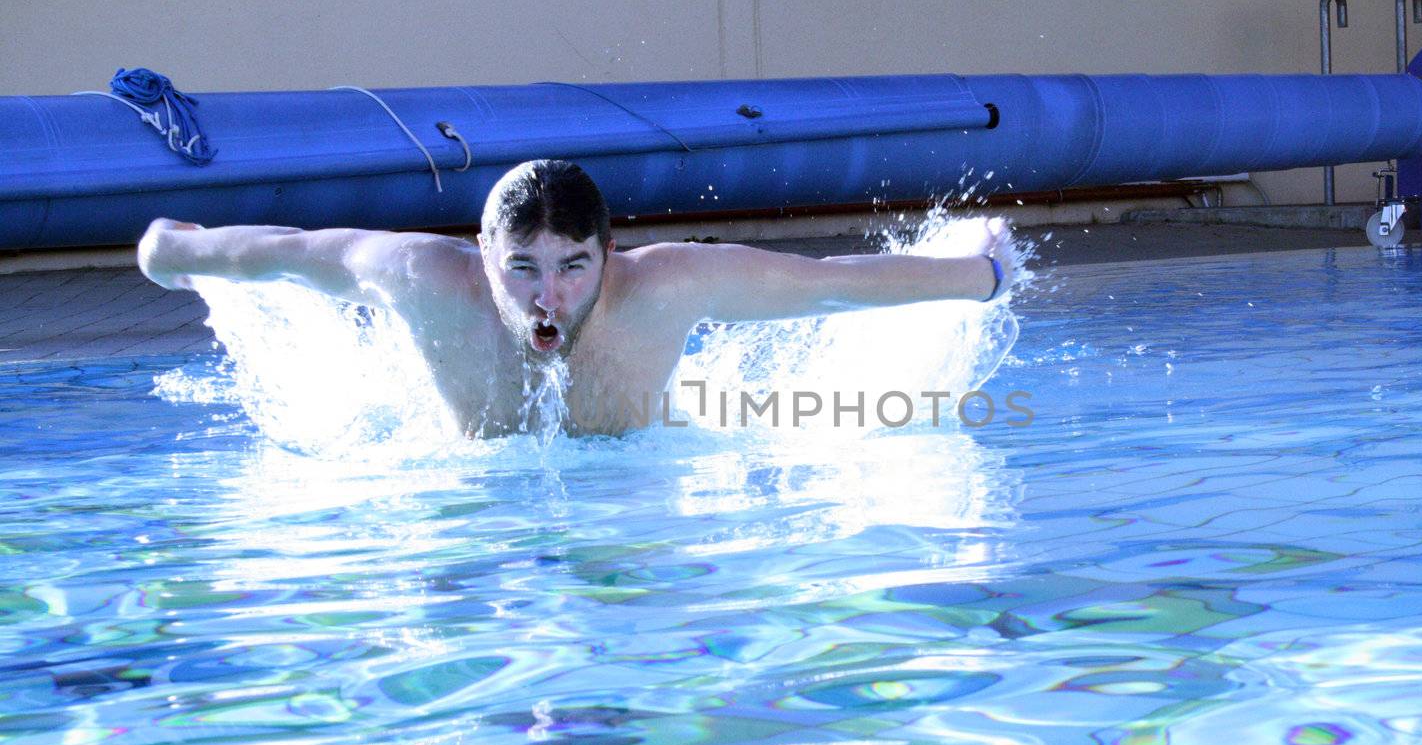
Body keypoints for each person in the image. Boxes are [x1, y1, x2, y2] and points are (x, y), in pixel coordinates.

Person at [138, 159, 1017, 436]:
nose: (547, 296)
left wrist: (975, 276)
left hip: (632, 509)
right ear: (482, 253)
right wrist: (170, 249)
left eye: (572, 266)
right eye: (522, 267)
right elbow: (284, 254)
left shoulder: (667, 286)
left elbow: (827, 288)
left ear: (609, 253)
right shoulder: (419, 276)